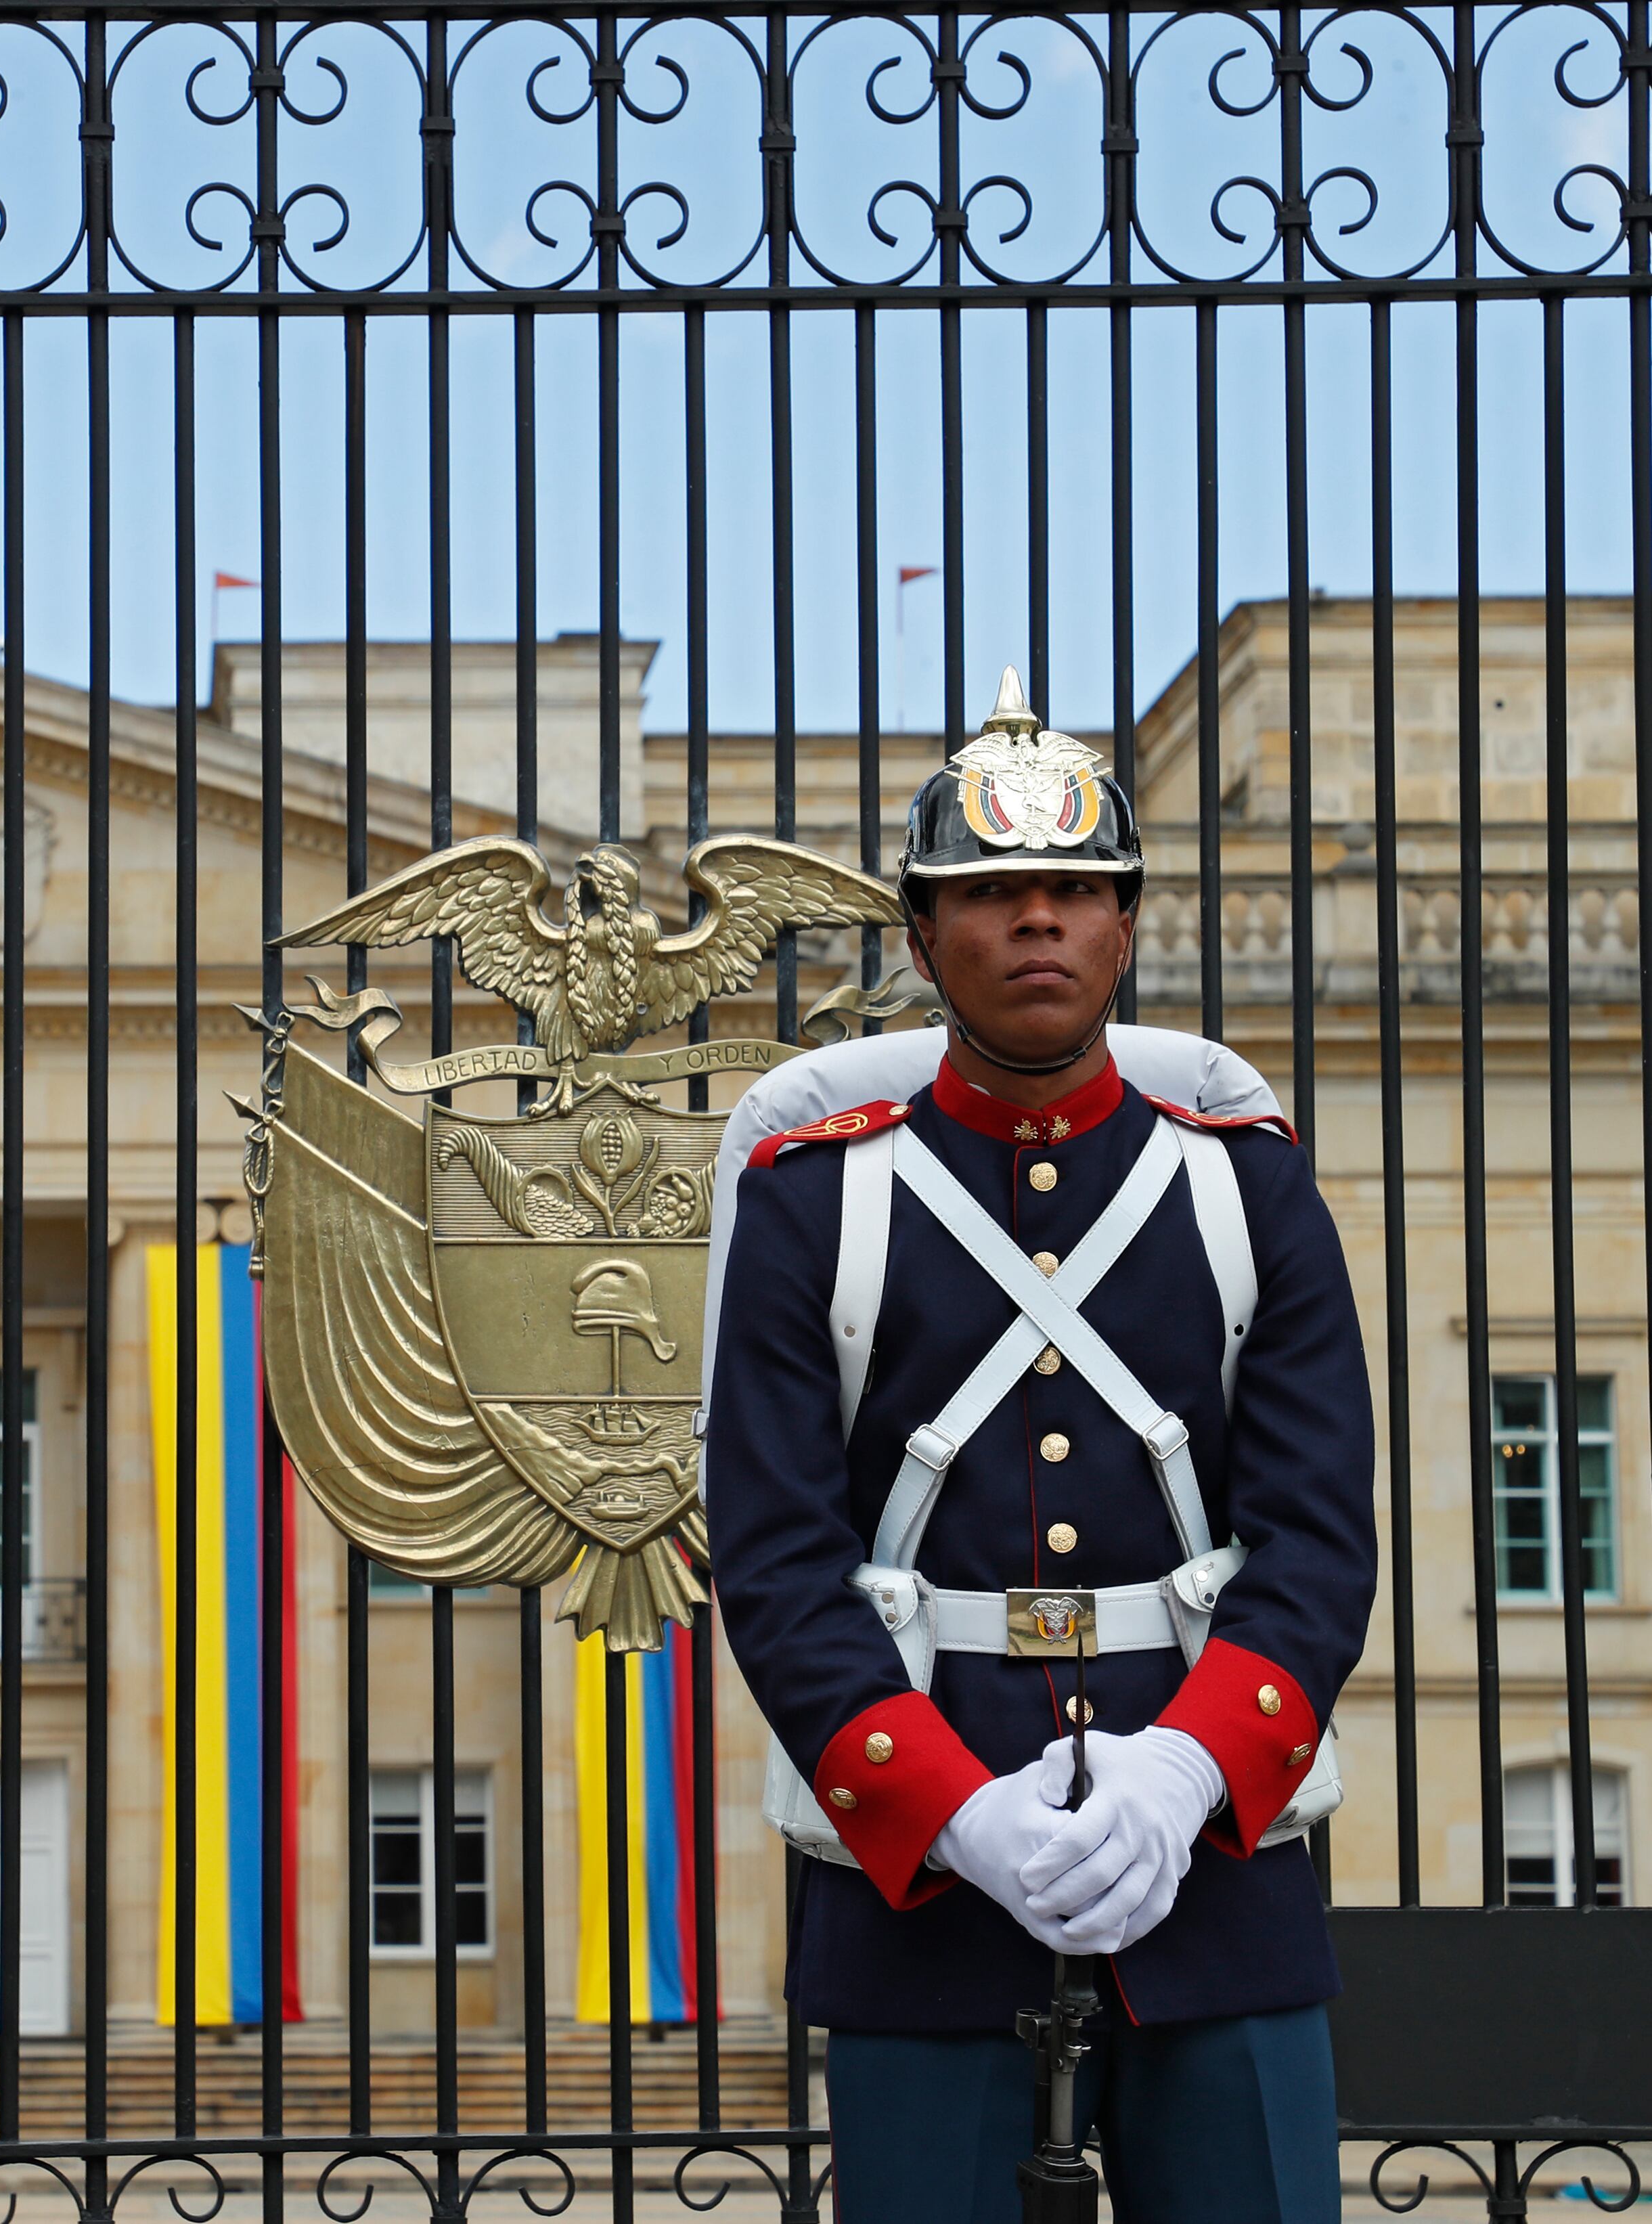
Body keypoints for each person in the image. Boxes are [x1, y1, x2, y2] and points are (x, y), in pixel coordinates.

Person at [703, 672, 1377, 2223]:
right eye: (990, 892)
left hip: (1212, 1851)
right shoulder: (818, 1199)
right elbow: (781, 1557)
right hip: (925, 1866)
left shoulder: (1245, 1189)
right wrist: (948, 1806)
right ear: (922, 932)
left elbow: (1318, 1536)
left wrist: (1190, 1770)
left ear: (1125, 927)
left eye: (1074, 890)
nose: (1037, 923)